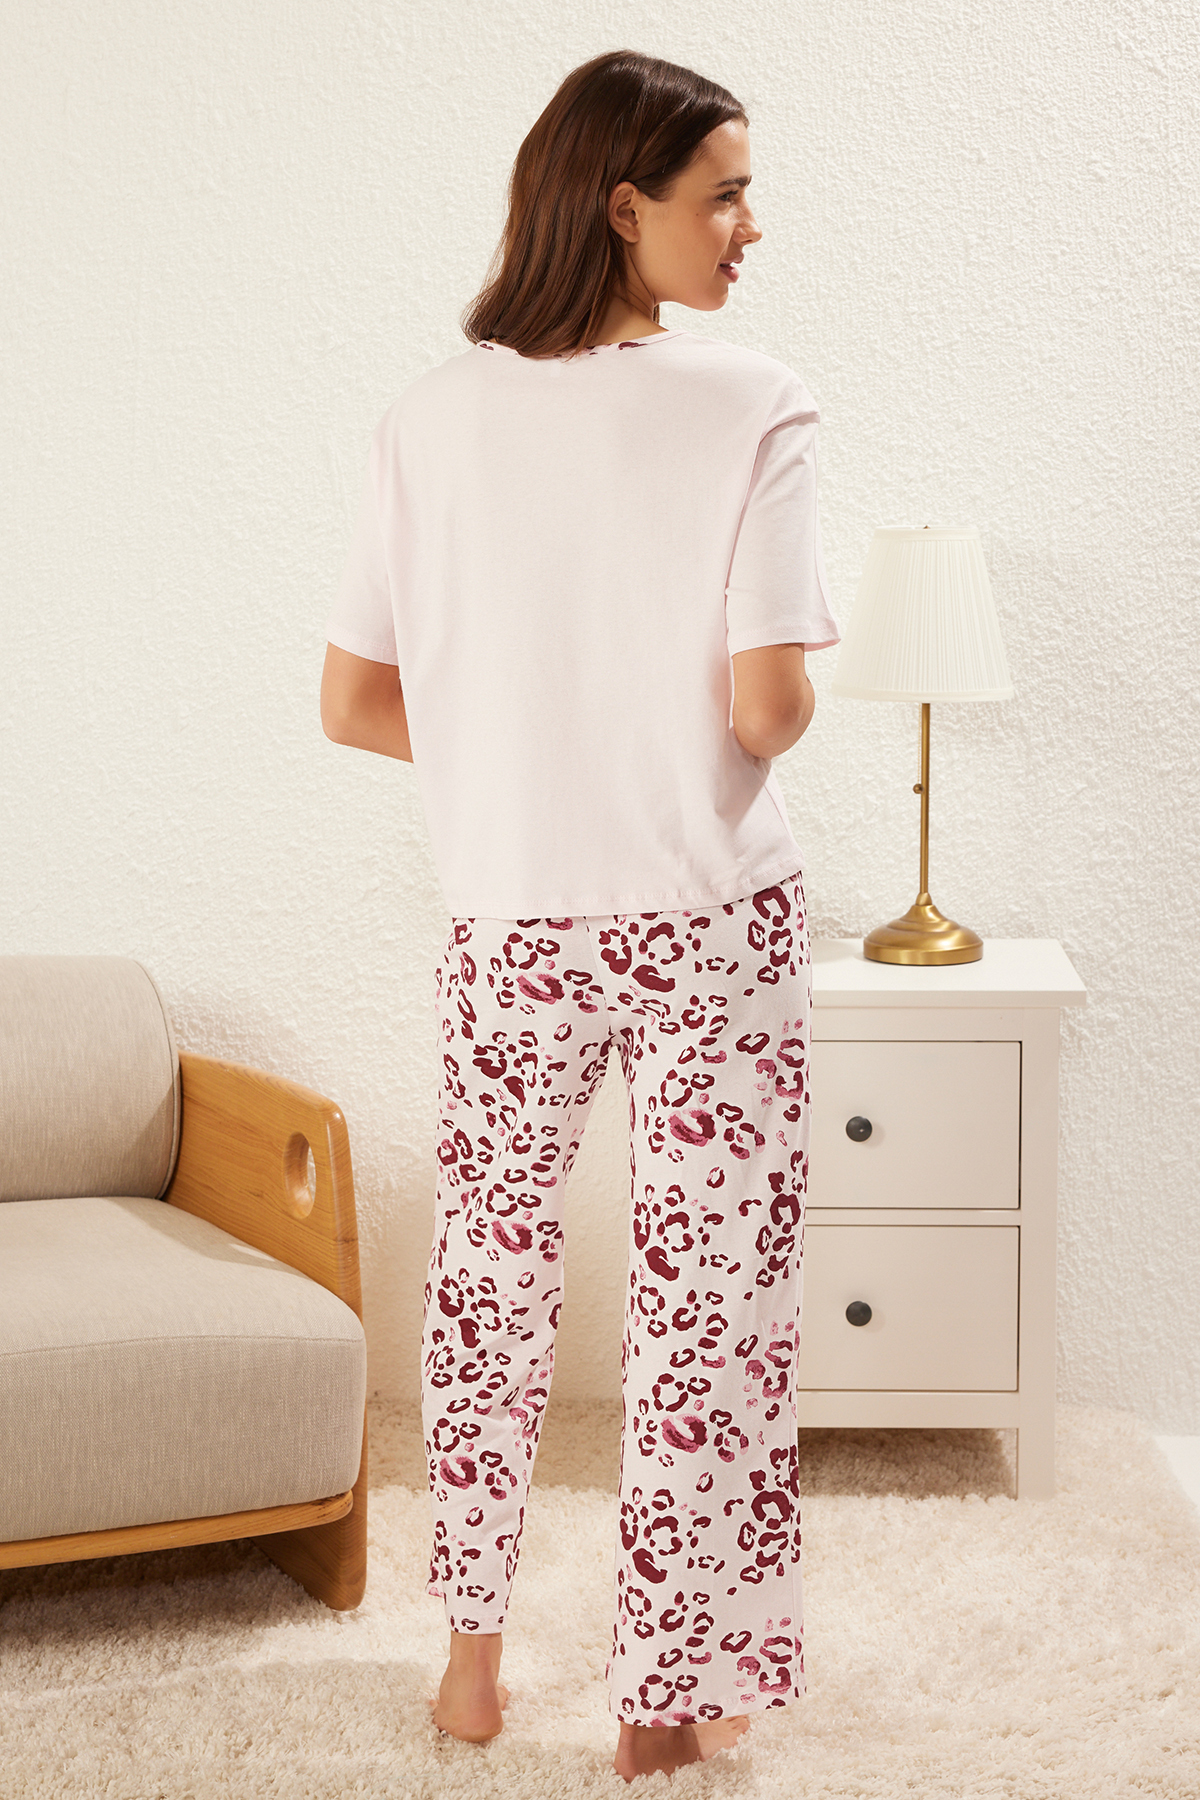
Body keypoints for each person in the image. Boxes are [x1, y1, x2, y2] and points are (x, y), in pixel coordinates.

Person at [319, 48, 840, 1783]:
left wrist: (521, 748)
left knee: (489, 1277)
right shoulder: (753, 402)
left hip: (512, 926)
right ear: (626, 205)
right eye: (727, 194)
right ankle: (661, 1700)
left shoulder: (423, 419)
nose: (752, 226)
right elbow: (766, 711)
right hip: (709, 921)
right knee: (708, 1305)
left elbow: (355, 703)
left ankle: (470, 1670)